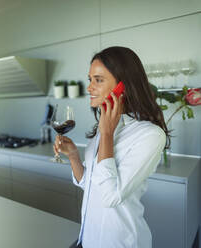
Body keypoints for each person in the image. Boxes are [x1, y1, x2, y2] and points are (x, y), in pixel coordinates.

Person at [54, 46, 170, 248]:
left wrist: (107, 134)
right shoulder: (106, 126)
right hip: (88, 239)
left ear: (123, 86)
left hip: (120, 242)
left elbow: (110, 196)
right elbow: (91, 185)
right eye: (90, 79)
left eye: (98, 80)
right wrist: (73, 156)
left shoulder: (150, 135)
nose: (89, 88)